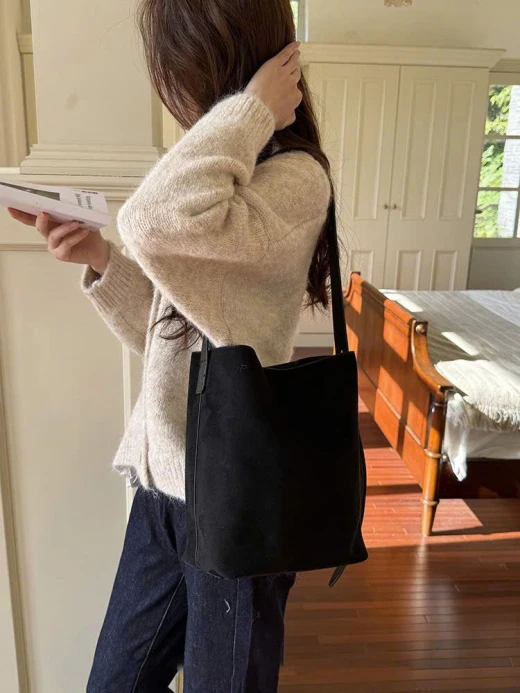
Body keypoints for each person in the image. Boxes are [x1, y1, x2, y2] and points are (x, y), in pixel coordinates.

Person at [8, 1, 334, 690]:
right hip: (163, 490)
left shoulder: (295, 183)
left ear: (219, 68)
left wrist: (252, 108)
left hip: (235, 505)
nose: (172, 95)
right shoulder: (216, 173)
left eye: (177, 74)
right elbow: (172, 345)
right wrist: (100, 259)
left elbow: (151, 220)